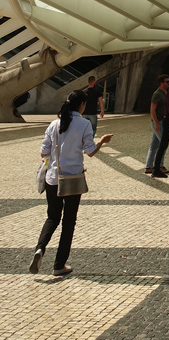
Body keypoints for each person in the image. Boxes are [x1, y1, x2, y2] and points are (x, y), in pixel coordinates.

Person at [30, 89, 113, 276]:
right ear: (82, 105)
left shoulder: (54, 124)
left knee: (52, 217)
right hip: (73, 180)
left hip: (53, 178)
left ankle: (40, 248)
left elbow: (43, 152)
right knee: (69, 222)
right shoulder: (84, 124)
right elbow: (90, 152)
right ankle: (59, 265)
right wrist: (102, 141)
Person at [145, 73, 169, 175]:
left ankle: (149, 166)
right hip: (158, 121)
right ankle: (159, 165)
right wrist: (156, 123)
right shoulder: (157, 94)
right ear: (161, 83)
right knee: (163, 143)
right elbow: (152, 110)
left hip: (161, 121)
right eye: (167, 82)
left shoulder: (164, 93)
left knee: (154, 144)